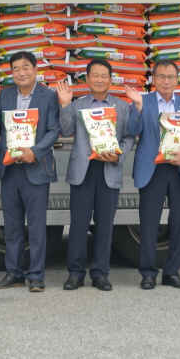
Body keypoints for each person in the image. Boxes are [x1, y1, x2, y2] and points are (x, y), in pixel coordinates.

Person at [57, 60, 143, 292]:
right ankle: (75, 274)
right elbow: (65, 131)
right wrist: (65, 104)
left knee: (105, 226)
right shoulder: (78, 104)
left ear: (111, 80)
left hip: (109, 169)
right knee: (78, 225)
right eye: (94, 75)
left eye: (104, 76)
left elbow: (130, 137)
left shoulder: (122, 107)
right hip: (82, 171)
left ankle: (100, 274)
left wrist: (118, 155)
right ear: (87, 79)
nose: (99, 80)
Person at [0, 51, 60, 293]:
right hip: (10, 169)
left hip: (35, 168)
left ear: (35, 70)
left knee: (36, 227)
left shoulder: (48, 96)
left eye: (26, 67)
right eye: (16, 69)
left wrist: (35, 152)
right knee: (12, 226)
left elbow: (54, 130)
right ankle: (14, 273)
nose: (21, 72)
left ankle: (36, 276)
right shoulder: (5, 94)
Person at [131, 58, 180, 290]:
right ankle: (148, 273)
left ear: (177, 80)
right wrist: (138, 108)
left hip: (179, 169)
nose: (166, 81)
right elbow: (132, 130)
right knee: (149, 223)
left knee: (179, 222)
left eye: (170, 77)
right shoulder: (143, 101)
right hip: (152, 169)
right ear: (153, 79)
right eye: (161, 76)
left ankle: (172, 273)